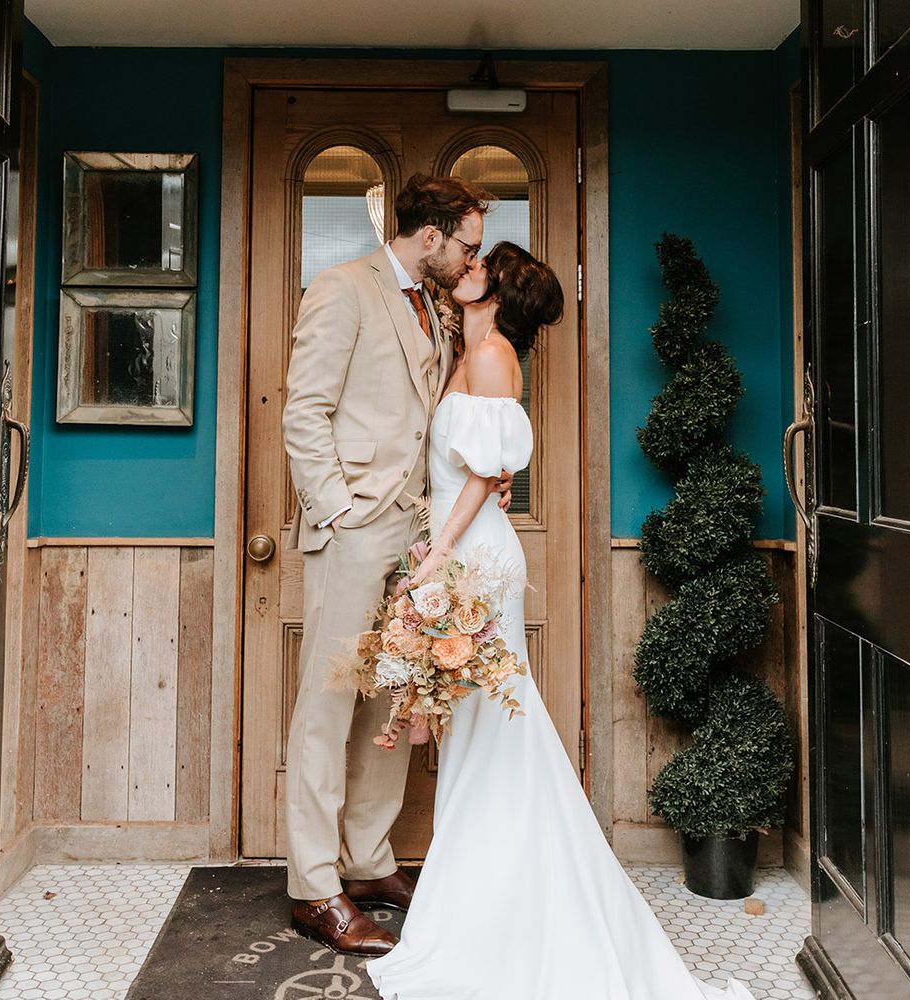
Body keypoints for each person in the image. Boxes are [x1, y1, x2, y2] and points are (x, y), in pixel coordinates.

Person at [365, 242, 755, 999]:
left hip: (473, 558)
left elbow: (484, 470)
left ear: (500, 293)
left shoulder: (491, 357)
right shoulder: (473, 348)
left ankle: (509, 912)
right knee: (483, 731)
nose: (468, 267)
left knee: (492, 731)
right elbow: (486, 462)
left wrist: (440, 551)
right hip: (463, 543)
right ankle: (489, 900)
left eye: (483, 266)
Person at [282, 173, 512, 956]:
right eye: (468, 243)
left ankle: (370, 861)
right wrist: (337, 510)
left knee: (390, 701)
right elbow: (304, 409)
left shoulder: (436, 306)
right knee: (326, 705)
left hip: (417, 535)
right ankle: (314, 887)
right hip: (353, 531)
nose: (471, 257)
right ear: (431, 234)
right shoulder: (344, 288)